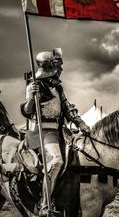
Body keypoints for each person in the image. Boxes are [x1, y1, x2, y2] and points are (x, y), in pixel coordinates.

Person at [20, 48, 90, 216]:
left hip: (60, 130)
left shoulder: (57, 87)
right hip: (42, 130)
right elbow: (28, 111)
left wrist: (81, 124)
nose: (61, 70)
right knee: (57, 161)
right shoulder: (33, 85)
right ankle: (45, 205)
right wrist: (32, 98)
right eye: (58, 66)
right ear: (49, 66)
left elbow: (67, 108)